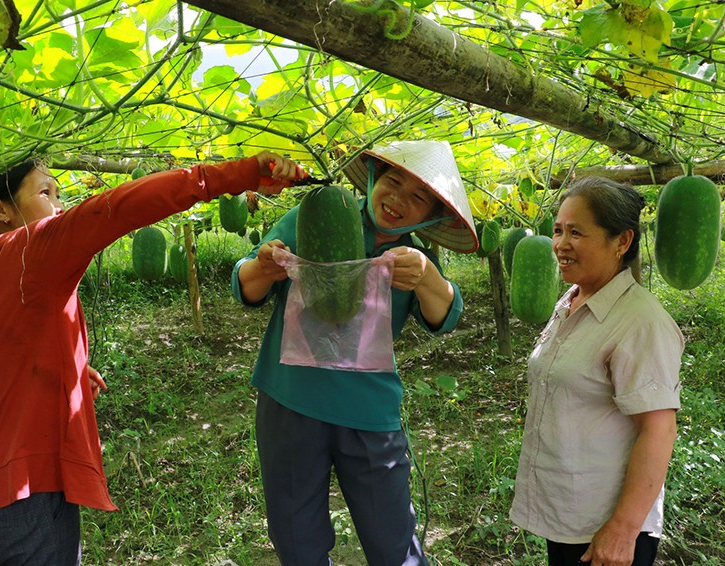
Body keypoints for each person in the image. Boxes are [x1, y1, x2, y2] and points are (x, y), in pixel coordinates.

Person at [0, 151, 302, 564]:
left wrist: (63, 371)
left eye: (59, 192)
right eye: (45, 192)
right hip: (24, 497)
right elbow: (117, 208)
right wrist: (236, 174)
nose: (60, 204)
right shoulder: (30, 248)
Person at [231, 140, 478, 565]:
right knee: (296, 537)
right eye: (392, 181)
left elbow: (445, 316)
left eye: (418, 197)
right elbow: (246, 286)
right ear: (372, 178)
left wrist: (426, 277)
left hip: (368, 411)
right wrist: (264, 266)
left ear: (433, 213)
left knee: (393, 543)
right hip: (291, 400)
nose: (398, 199)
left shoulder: (415, 255)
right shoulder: (316, 212)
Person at [509, 176, 684, 566]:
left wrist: (621, 529)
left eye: (576, 232)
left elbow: (659, 429)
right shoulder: (572, 300)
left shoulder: (641, 322)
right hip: (569, 515)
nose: (560, 244)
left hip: (608, 529)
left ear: (622, 241)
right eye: (557, 230)